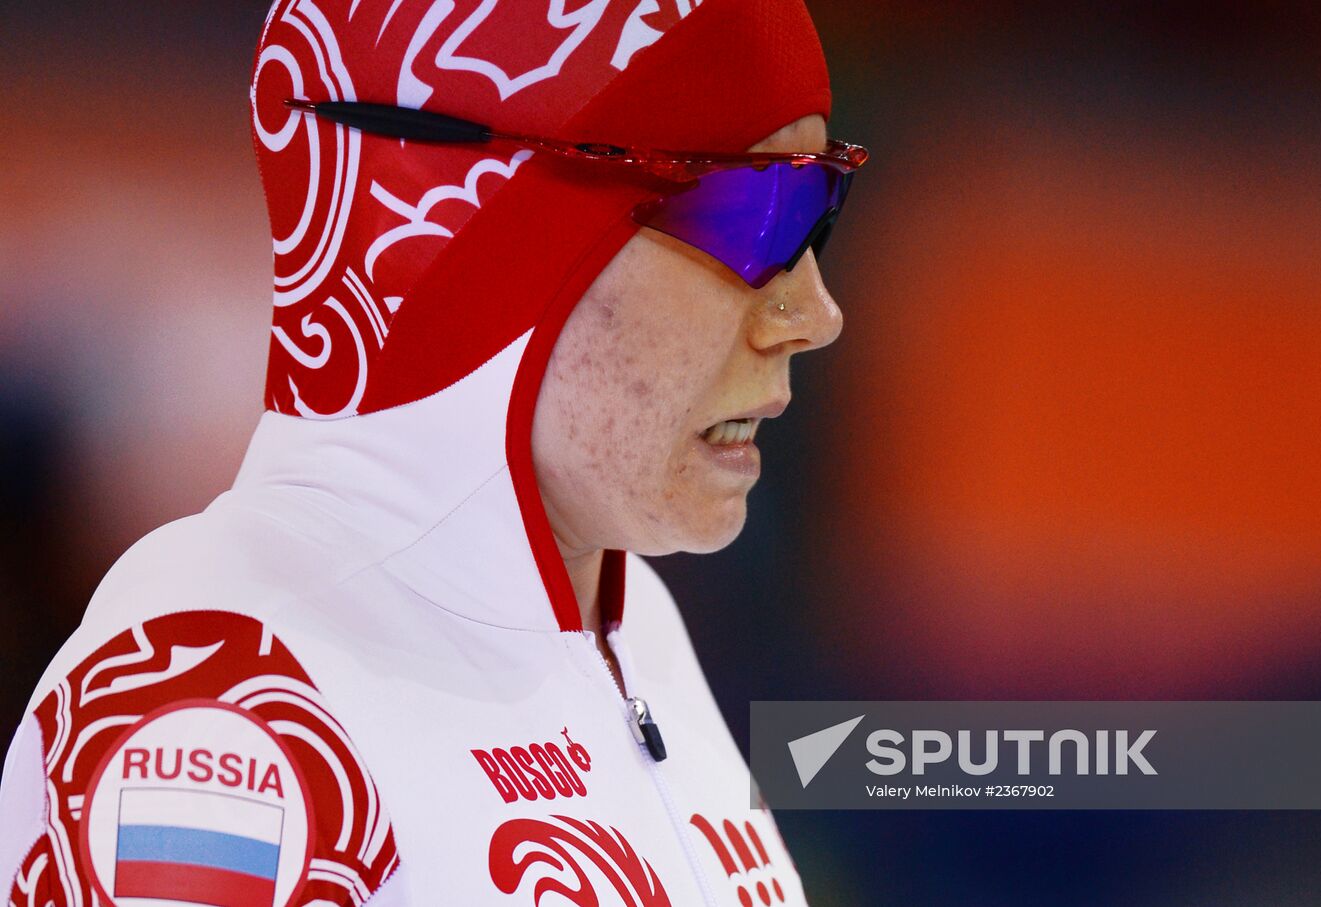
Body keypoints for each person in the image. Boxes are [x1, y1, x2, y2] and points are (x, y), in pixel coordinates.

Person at [0, 1, 866, 903]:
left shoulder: (633, 625)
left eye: (821, 204)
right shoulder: (221, 703)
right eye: (756, 210)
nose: (814, 315)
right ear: (490, 235)